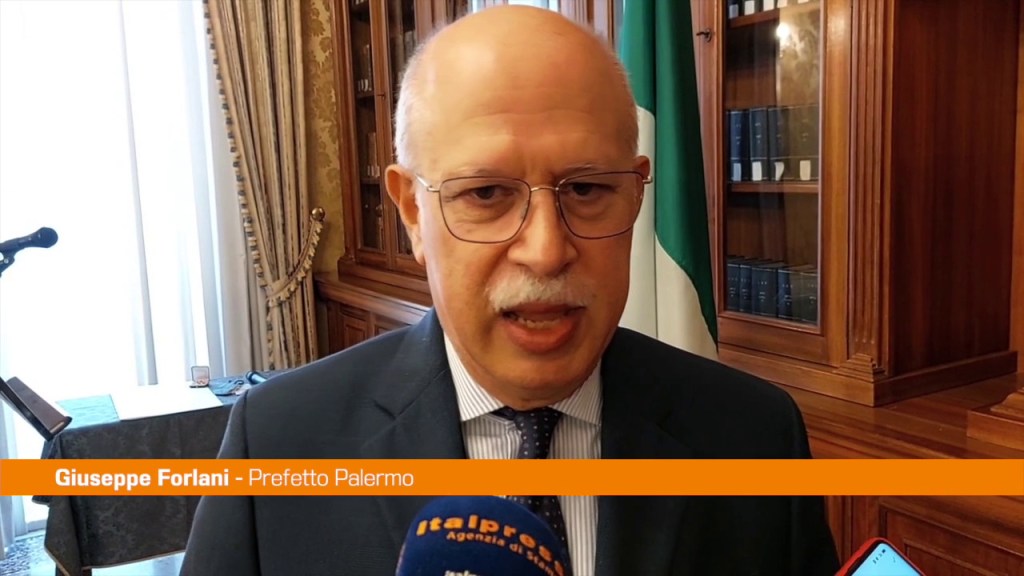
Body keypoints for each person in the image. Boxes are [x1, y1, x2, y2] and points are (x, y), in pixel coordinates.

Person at [181, 5, 839, 575]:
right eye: (487, 193)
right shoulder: (276, 443)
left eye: (587, 188)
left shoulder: (754, 435)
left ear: (638, 194)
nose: (546, 249)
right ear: (412, 212)